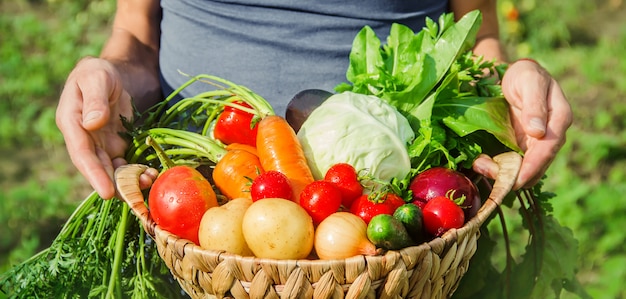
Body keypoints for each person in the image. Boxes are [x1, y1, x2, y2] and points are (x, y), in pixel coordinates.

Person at [55, 0, 572, 200]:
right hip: (191, 214)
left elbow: (478, 33)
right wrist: (111, 72)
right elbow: (138, 34)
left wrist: (506, 79)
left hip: (399, 235)